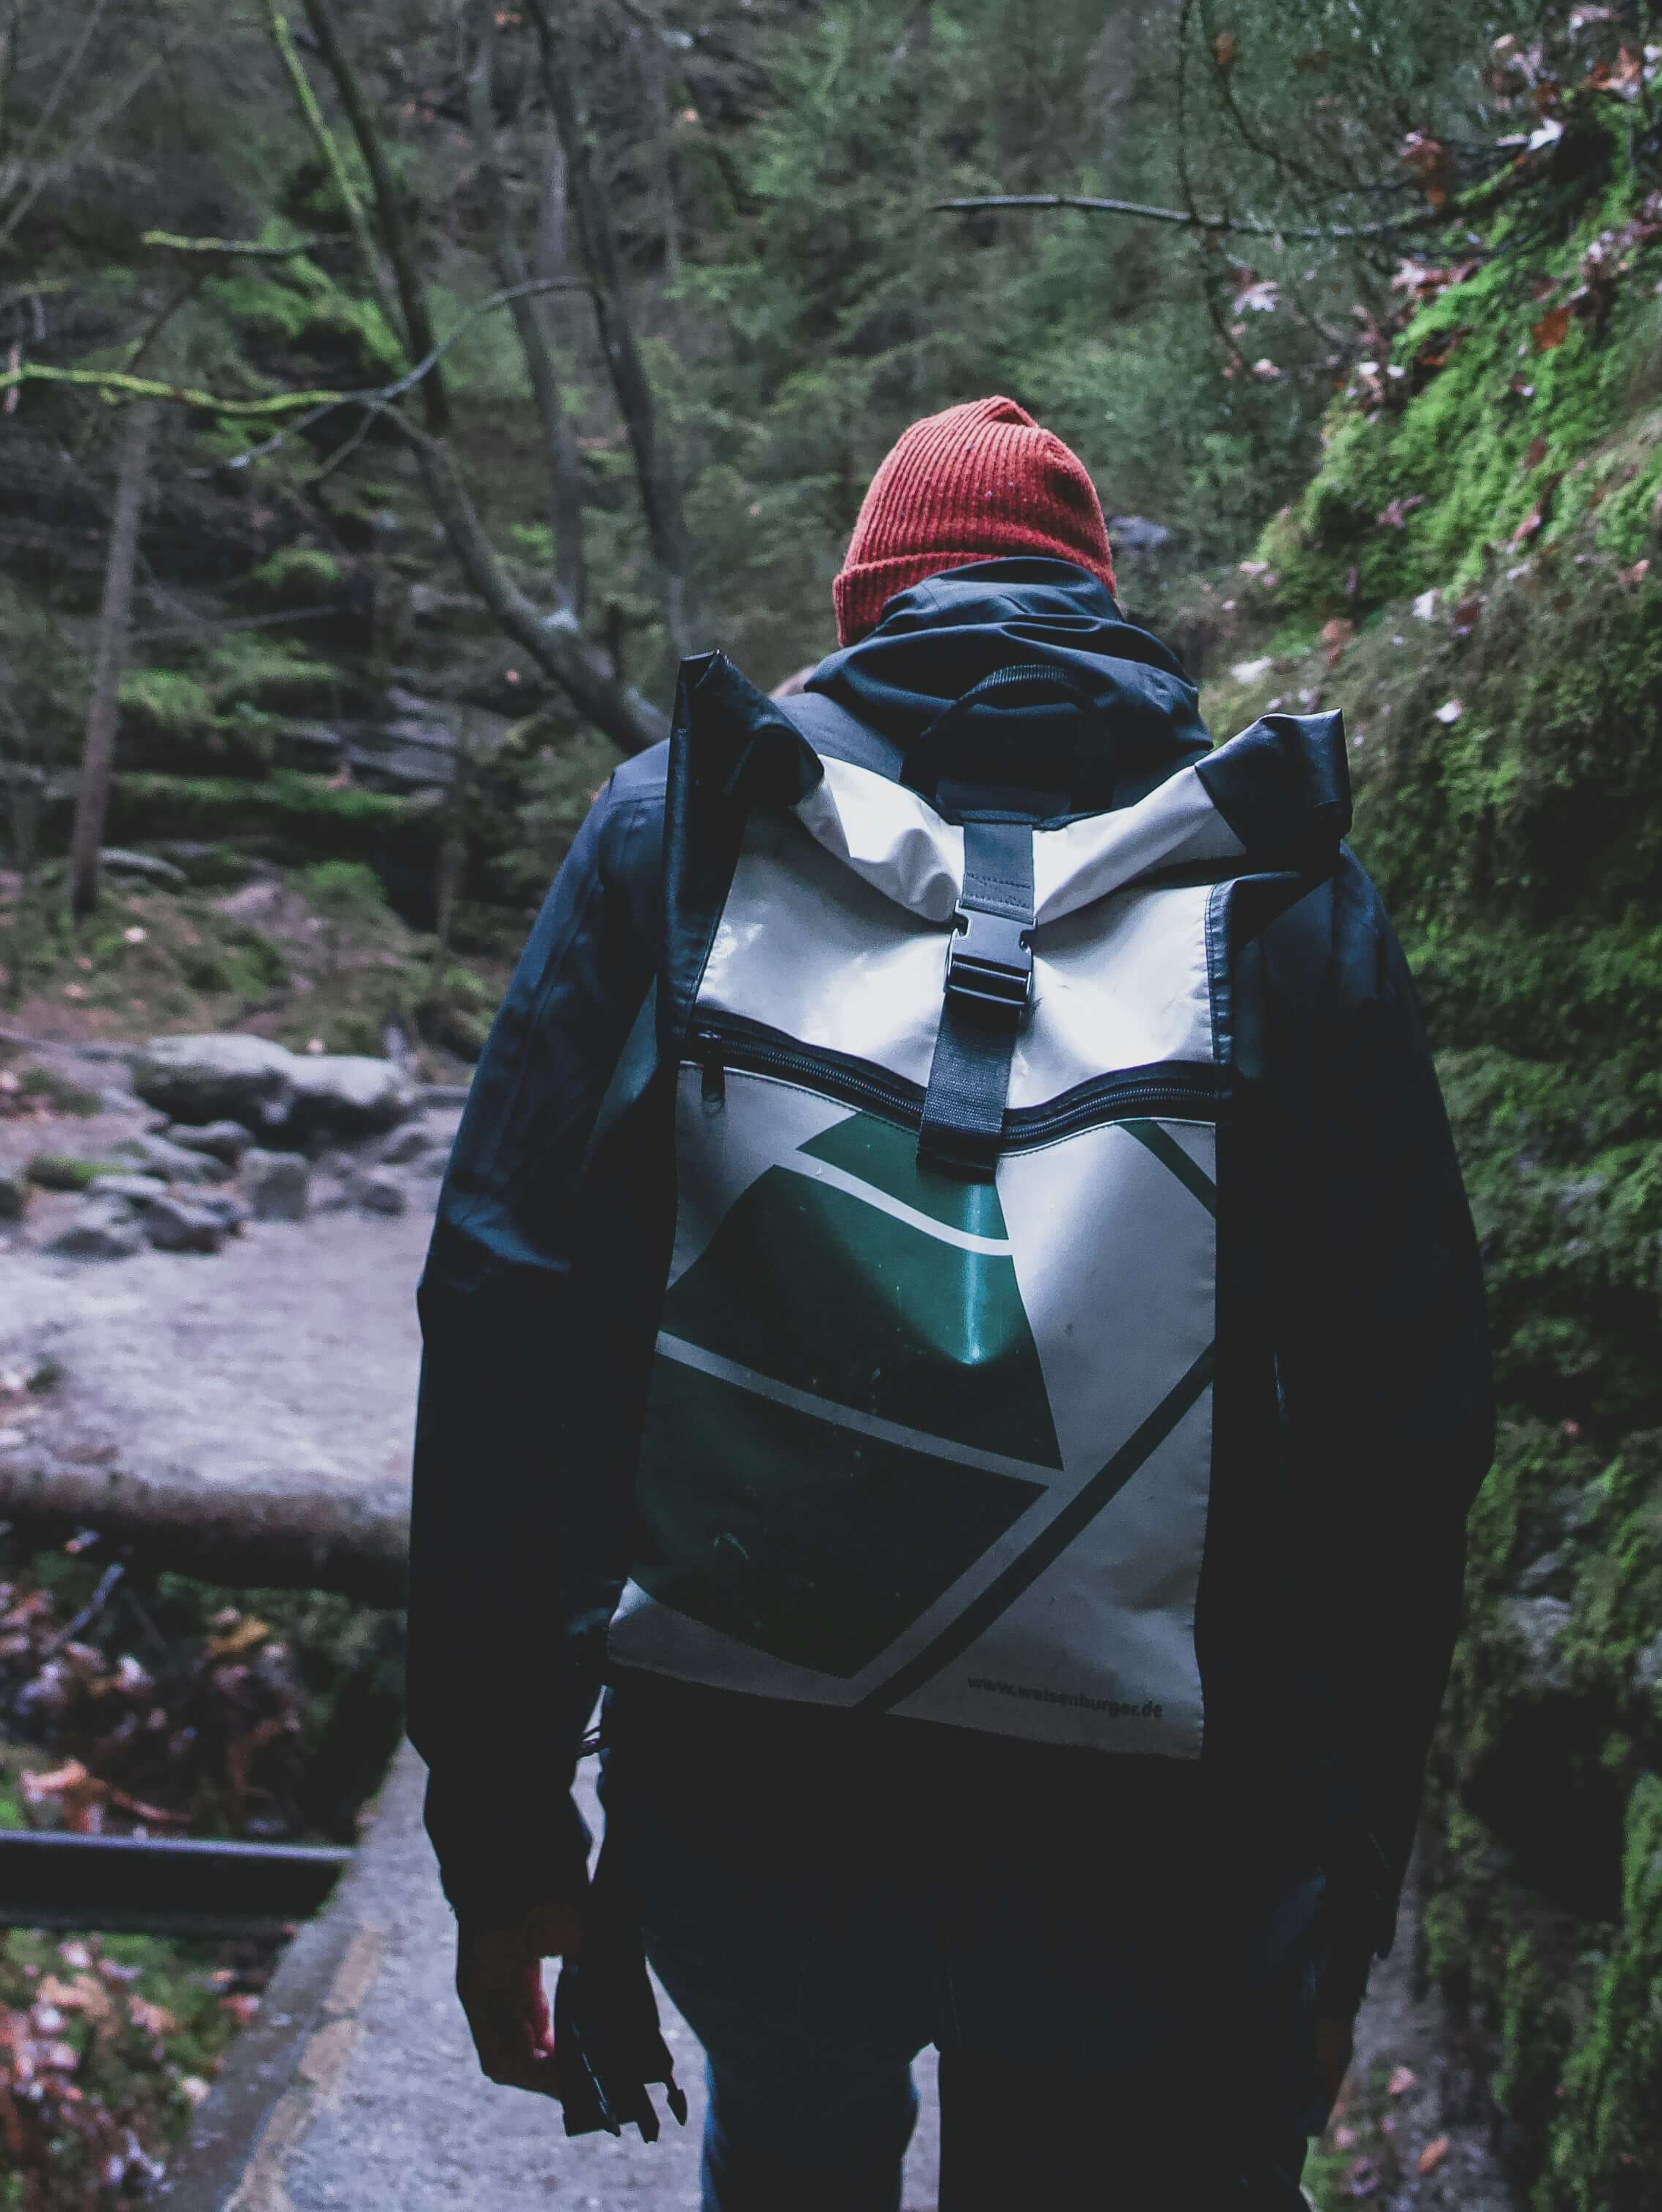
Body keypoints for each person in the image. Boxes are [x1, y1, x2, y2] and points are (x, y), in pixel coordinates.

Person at [409, 395, 1492, 2210]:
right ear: (1100, 609)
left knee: (797, 2137)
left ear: (861, 619)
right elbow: (1404, 1434)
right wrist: (1335, 1907)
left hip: (747, 1809)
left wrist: (503, 1828)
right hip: (1149, 1853)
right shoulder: (1278, 893)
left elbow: (510, 1316)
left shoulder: (687, 837)